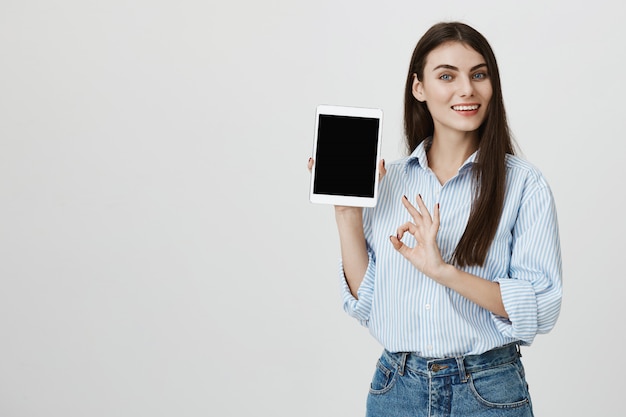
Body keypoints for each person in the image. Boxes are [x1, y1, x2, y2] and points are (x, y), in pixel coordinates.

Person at [308, 21, 562, 416]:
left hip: (488, 391)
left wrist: (442, 270)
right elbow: (367, 304)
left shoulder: (523, 185)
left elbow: (542, 307)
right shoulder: (388, 182)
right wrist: (346, 213)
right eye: (447, 76)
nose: (467, 90)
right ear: (418, 88)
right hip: (397, 389)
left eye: (479, 75)